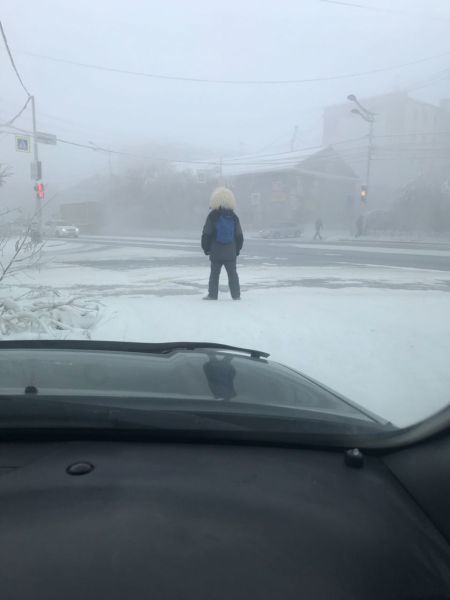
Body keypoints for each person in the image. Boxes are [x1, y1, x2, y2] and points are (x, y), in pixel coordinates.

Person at [201, 187, 244, 300]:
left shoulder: (212, 216)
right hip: (230, 252)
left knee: (214, 274)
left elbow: (206, 234)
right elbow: (239, 236)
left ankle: (212, 295)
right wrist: (237, 250)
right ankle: (236, 295)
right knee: (233, 274)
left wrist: (206, 248)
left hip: (216, 251)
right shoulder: (234, 217)